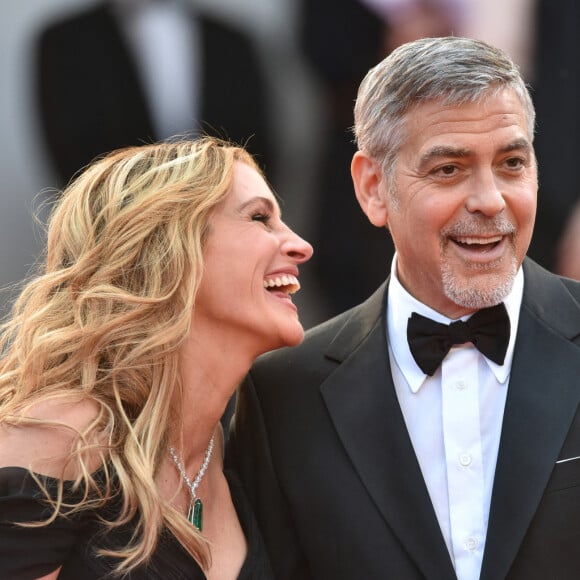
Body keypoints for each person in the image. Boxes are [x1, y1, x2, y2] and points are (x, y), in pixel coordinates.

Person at [227, 36, 580, 580]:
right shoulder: (281, 394)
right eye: (448, 170)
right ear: (373, 188)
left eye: (512, 163)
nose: (490, 199)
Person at [0, 136, 313, 579]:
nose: (301, 245)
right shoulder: (64, 430)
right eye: (260, 218)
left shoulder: (230, 450)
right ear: (170, 248)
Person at [34, 0, 273, 187]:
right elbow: (70, 150)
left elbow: (257, 143)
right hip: (116, 226)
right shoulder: (65, 42)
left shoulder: (232, 41)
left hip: (219, 218)